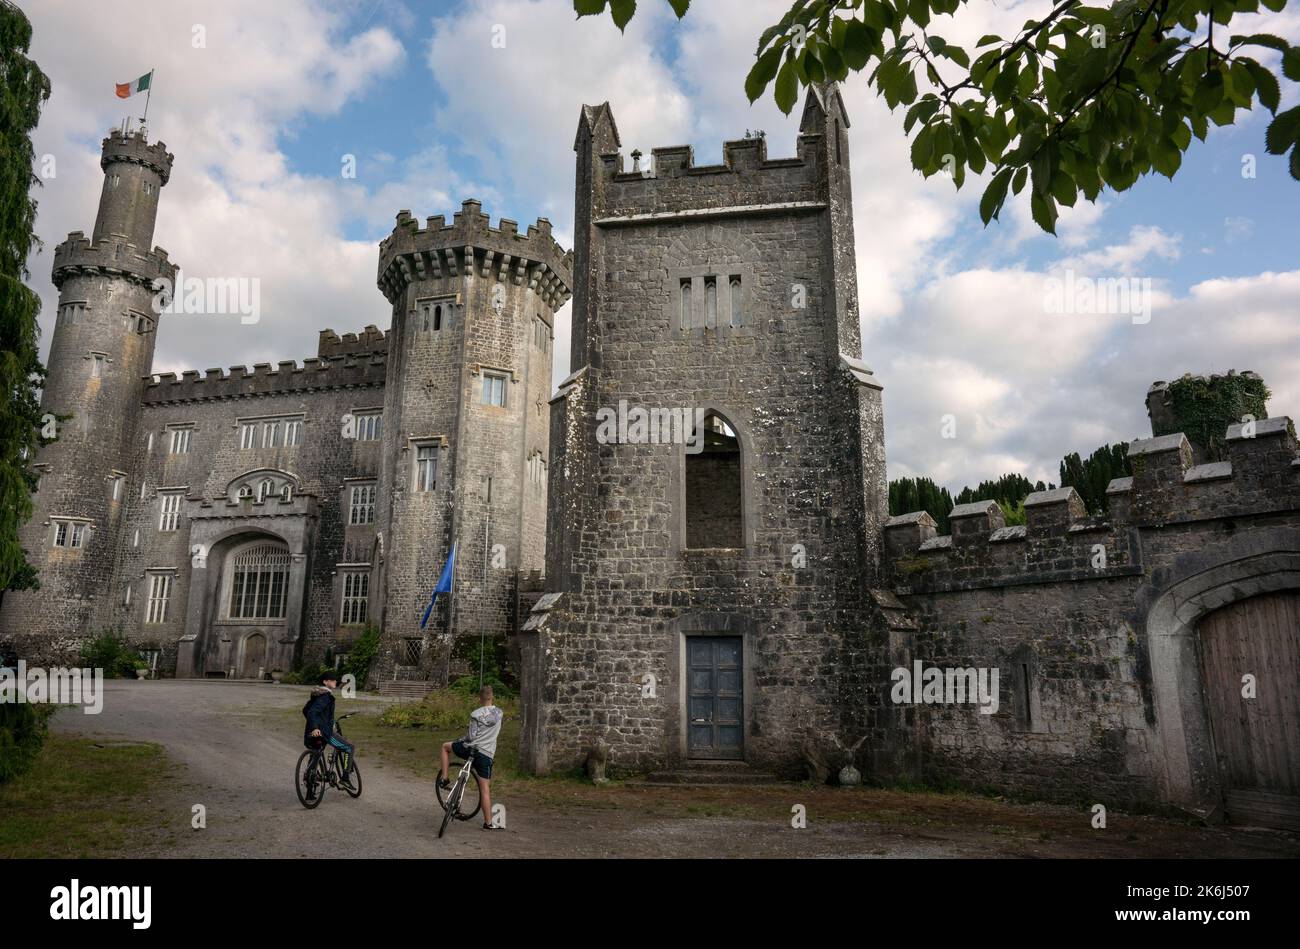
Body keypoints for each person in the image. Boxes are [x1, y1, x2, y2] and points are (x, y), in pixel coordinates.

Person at [439, 685, 503, 831]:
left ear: (480, 698)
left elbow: (471, 737)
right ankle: (488, 823)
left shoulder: (475, 714)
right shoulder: (499, 713)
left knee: (445, 747)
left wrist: (459, 740)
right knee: (484, 789)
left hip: (471, 749)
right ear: (492, 696)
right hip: (486, 755)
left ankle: (445, 777)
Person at [303, 670, 356, 792]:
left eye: (335, 679)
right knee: (349, 748)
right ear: (325, 682)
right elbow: (312, 712)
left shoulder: (316, 695)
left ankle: (310, 791)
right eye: (332, 680)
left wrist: (314, 725)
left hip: (312, 733)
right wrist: (318, 727)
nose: (335, 681)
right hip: (324, 733)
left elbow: (306, 710)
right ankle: (345, 779)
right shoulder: (325, 697)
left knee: (316, 755)